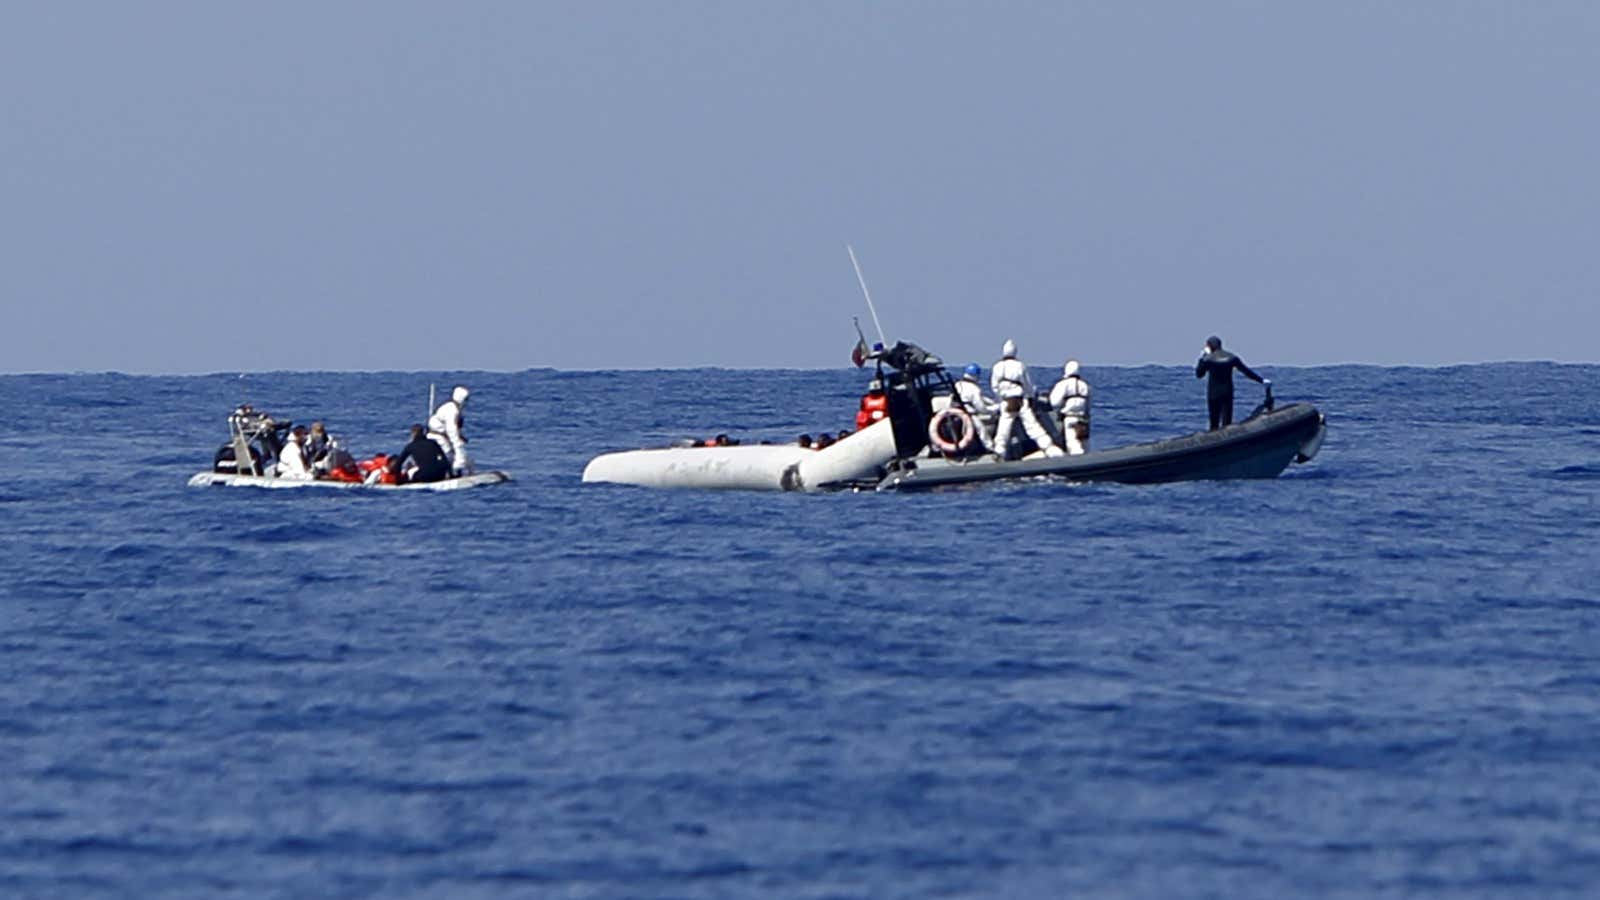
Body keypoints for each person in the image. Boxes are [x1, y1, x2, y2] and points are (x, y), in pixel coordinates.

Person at [990, 339, 1063, 460]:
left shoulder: (997, 367)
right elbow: (1027, 384)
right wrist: (1030, 396)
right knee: (1032, 427)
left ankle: (999, 452)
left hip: (1006, 402)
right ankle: (1049, 448)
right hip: (1020, 401)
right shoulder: (1019, 366)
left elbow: (994, 386)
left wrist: (1000, 398)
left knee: (1003, 428)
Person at [1195, 335, 1268, 430]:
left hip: (1213, 394)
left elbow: (1199, 374)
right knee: (1227, 422)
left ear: (1209, 346)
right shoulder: (1232, 357)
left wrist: (1202, 357)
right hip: (1227, 392)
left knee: (1214, 423)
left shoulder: (1208, 359)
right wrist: (1261, 380)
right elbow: (1247, 372)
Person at [1048, 359, 1092, 455]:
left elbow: (1054, 402)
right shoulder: (1085, 385)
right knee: (1085, 445)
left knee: (1073, 445)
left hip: (1070, 418)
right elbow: (1088, 405)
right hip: (1083, 421)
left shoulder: (1063, 384)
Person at [427, 385, 472, 475]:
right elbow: (451, 429)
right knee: (449, 455)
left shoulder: (451, 407)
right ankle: (450, 473)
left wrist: (460, 436)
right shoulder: (452, 411)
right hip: (438, 437)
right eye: (466, 399)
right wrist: (457, 443)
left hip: (441, 435)